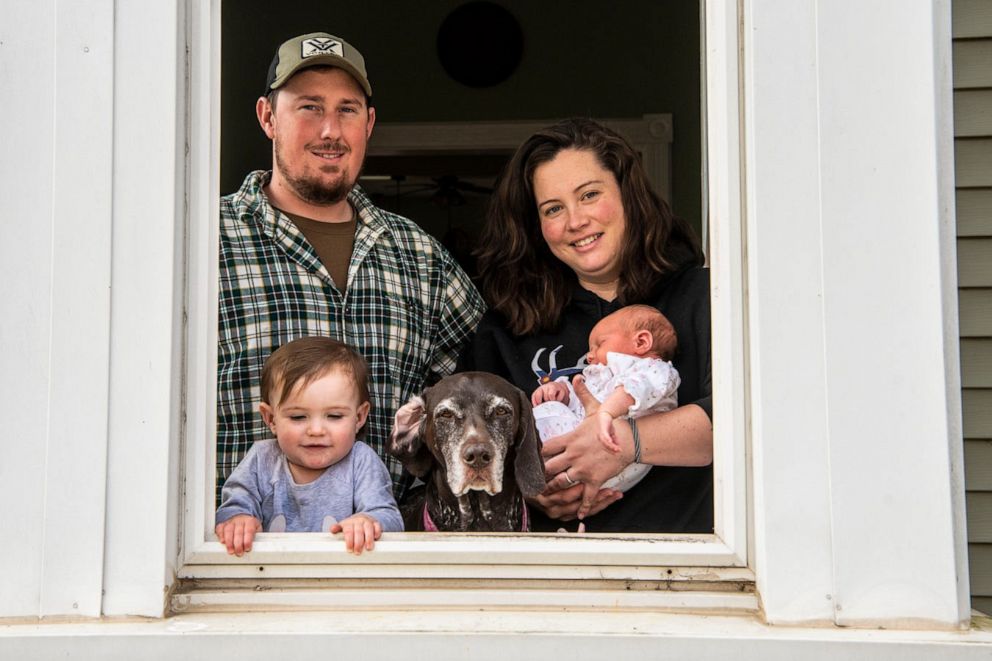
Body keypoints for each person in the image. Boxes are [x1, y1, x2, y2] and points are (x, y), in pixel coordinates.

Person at [218, 32, 485, 504]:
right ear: (267, 118)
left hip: (385, 553)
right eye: (309, 107)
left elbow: (484, 390)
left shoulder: (421, 258)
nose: (330, 131)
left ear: (369, 122)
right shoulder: (203, 243)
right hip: (234, 558)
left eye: (347, 109)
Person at [462, 117, 712, 534]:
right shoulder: (508, 326)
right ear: (536, 227)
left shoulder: (703, 296)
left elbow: (743, 426)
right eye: (553, 209)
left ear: (628, 196)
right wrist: (527, 490)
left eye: (590, 195)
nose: (575, 220)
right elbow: (469, 445)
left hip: (685, 563)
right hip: (555, 573)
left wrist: (623, 444)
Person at [215, 336, 403, 556]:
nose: (316, 430)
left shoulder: (361, 460)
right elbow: (233, 506)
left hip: (344, 578)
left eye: (334, 416)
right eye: (298, 417)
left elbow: (390, 518)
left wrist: (368, 521)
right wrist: (237, 521)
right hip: (268, 577)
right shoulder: (261, 459)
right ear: (271, 419)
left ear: (359, 417)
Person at [530, 304, 680, 493]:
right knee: (553, 407)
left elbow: (632, 391)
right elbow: (583, 402)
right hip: (583, 461)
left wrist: (606, 412)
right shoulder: (605, 376)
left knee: (547, 414)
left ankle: (520, 451)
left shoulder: (655, 370)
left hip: (612, 459)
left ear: (641, 342)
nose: (589, 356)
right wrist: (561, 392)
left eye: (599, 344)